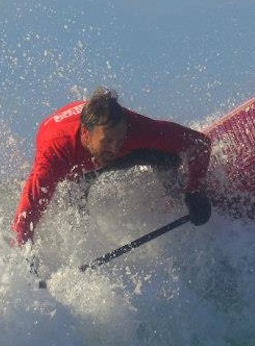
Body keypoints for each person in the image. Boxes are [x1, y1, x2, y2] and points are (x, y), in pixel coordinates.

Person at [13, 86, 212, 247]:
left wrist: (194, 191)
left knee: (168, 159)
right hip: (76, 165)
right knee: (75, 211)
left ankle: (178, 199)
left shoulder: (134, 128)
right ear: (86, 134)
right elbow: (25, 219)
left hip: (116, 145)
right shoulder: (55, 153)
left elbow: (199, 143)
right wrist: (30, 267)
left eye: (120, 139)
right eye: (108, 141)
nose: (115, 148)